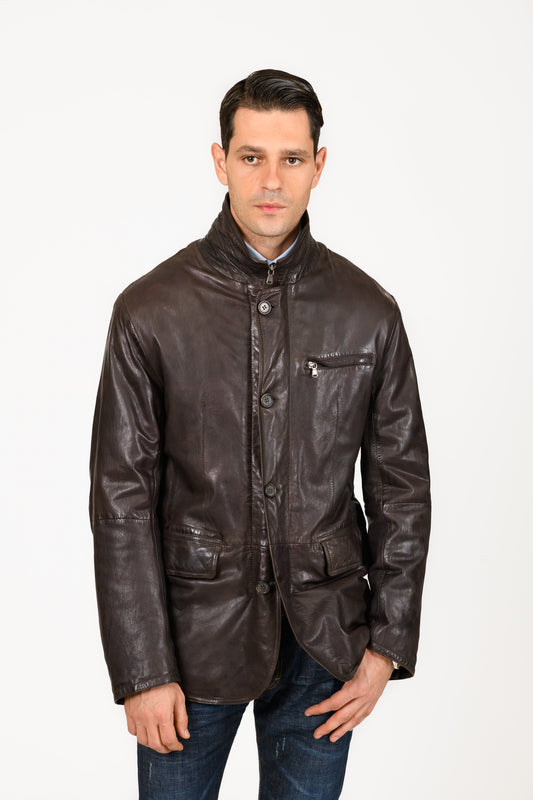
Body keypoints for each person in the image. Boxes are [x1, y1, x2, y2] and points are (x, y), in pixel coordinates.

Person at [89, 68, 431, 800]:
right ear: (221, 161)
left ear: (318, 165)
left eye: (291, 158)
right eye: (251, 157)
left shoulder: (368, 311)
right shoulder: (150, 312)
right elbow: (120, 502)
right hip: (189, 644)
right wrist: (142, 670)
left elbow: (402, 488)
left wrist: (387, 645)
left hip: (326, 643)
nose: (271, 180)